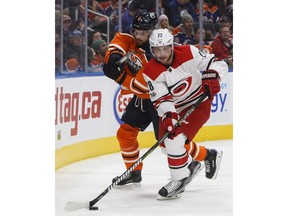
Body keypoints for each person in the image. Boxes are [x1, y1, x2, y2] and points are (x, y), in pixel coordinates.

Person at [143, 28, 228, 199]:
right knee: (166, 147)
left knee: (174, 141)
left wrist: (214, 75)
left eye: (165, 49)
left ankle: (179, 181)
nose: (161, 54)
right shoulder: (150, 71)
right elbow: (161, 98)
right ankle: (201, 159)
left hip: (198, 103)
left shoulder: (188, 52)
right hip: (175, 107)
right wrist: (169, 116)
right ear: (152, 50)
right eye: (157, 50)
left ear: (171, 46)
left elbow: (218, 63)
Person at [103, 9, 159, 186]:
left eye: (143, 33)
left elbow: (142, 86)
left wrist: (118, 77)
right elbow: (118, 44)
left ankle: (203, 156)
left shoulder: (159, 51)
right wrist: (113, 57)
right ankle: (133, 172)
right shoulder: (131, 38)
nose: (139, 36)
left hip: (161, 99)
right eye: (137, 31)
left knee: (169, 141)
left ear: (151, 32)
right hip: (142, 99)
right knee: (125, 134)